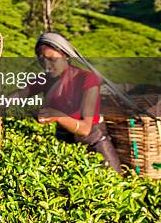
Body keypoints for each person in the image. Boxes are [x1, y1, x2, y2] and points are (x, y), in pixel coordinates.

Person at [31, 32, 123, 174]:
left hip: (95, 147)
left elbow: (86, 129)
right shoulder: (46, 79)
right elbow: (19, 93)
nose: (47, 66)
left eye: (52, 59)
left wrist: (57, 116)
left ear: (65, 56)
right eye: (42, 60)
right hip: (67, 146)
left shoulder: (87, 79)